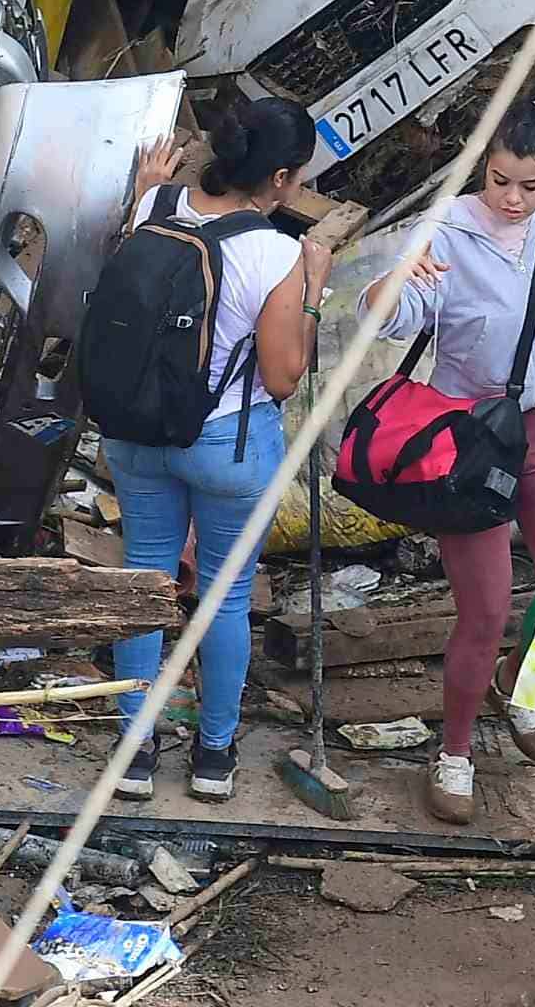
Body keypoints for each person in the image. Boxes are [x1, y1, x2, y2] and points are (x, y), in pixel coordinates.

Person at [379, 104, 535, 826]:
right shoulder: (448, 230)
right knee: (484, 609)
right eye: (499, 181)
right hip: (468, 440)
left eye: (530, 184)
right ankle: (453, 751)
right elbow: (390, 314)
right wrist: (392, 281)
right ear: (479, 165)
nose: (513, 198)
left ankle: (519, 682)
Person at [103, 95, 332, 805]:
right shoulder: (277, 254)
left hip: (136, 435)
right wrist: (313, 293)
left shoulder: (154, 208)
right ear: (284, 178)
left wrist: (147, 186)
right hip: (225, 445)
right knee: (224, 600)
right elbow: (284, 375)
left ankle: (135, 753)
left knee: (142, 582)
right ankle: (211, 756)